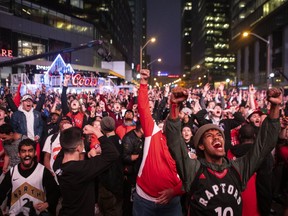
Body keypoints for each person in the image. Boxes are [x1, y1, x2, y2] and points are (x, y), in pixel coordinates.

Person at [165, 84, 281, 215]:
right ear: (201, 146)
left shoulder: (237, 169)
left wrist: (275, 107)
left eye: (219, 134)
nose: (216, 138)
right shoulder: (194, 169)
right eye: (210, 136)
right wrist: (174, 106)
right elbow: (175, 141)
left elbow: (264, 145)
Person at [133, 69, 183, 216]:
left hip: (171, 203)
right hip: (144, 201)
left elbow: (189, 178)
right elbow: (143, 108)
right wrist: (143, 83)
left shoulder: (182, 146)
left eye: (174, 122)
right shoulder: (153, 133)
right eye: (168, 120)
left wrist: (174, 192)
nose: (171, 123)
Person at [53, 126, 120, 216]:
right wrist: (96, 131)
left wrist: (68, 134)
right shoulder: (82, 170)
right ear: (79, 148)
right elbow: (113, 154)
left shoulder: (57, 165)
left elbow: (65, 146)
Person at [0, 138, 59, 215]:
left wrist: (47, 204)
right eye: (23, 151)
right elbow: (1, 192)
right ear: (19, 154)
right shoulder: (12, 172)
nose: (27, 154)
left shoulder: (43, 171)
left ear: (35, 153)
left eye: (30, 151)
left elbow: (55, 192)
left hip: (37, 213)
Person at [97, 116, 124, 216]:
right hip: (118, 181)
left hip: (109, 183)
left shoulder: (107, 143)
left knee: (109, 211)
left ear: (102, 128)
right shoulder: (118, 139)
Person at [122, 120, 144, 216]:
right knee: (129, 200)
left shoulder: (144, 138)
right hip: (130, 174)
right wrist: (141, 156)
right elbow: (124, 157)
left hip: (140, 173)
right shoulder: (128, 138)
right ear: (142, 129)